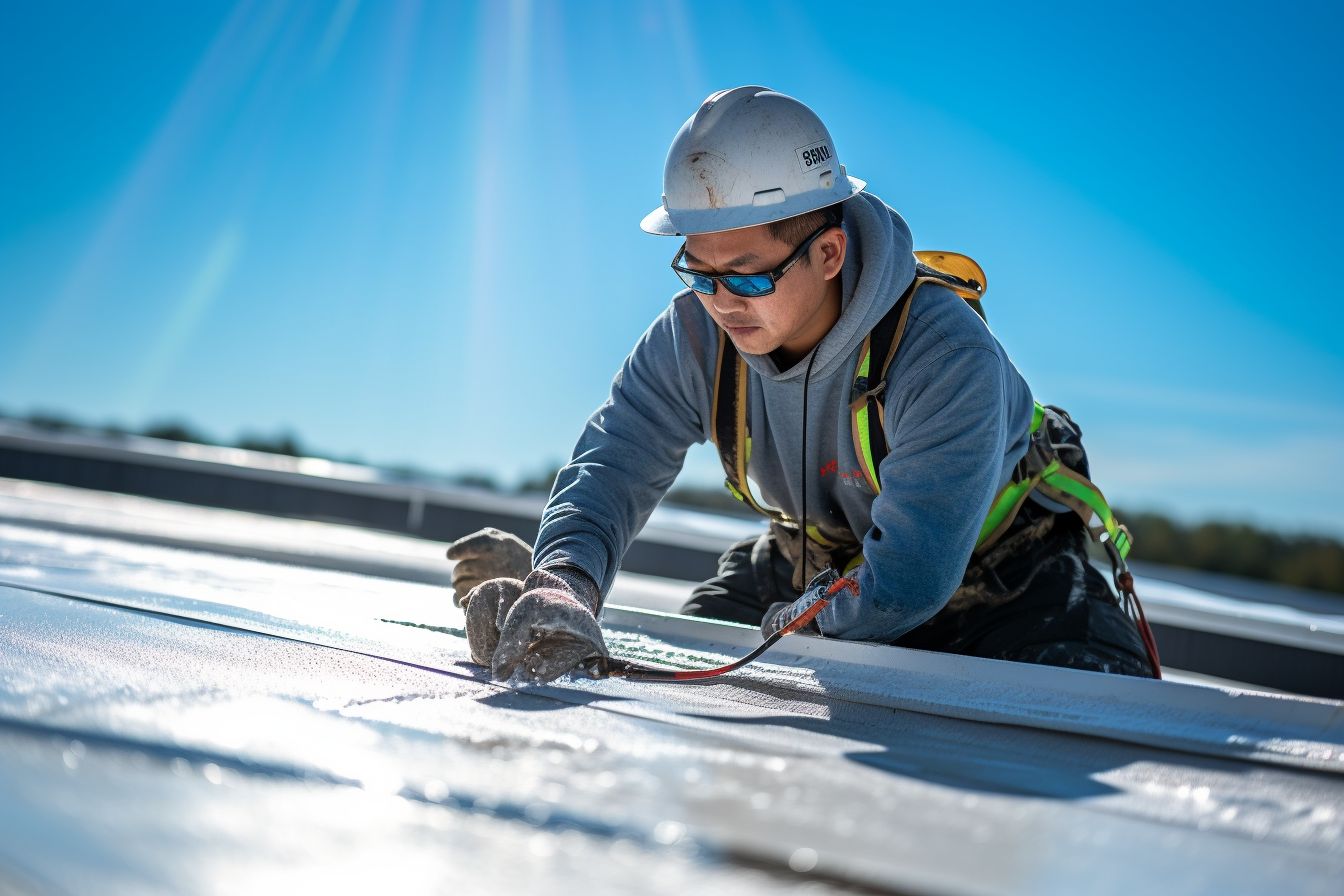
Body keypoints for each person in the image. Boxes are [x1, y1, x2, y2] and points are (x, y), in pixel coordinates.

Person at [448, 86, 1156, 684]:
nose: (721, 301)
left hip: (1001, 585)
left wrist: (798, 631)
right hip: (809, 562)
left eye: (749, 275)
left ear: (828, 252)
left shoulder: (943, 355)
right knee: (687, 682)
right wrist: (564, 581)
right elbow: (614, 461)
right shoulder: (696, 334)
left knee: (1076, 710)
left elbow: (911, 575)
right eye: (698, 273)